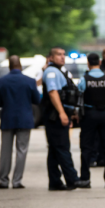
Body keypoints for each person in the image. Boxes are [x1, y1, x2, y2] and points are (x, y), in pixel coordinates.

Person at [41, 47, 89, 191]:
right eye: (58, 55)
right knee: (62, 147)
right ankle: (72, 179)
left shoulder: (58, 71)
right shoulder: (51, 72)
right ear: (51, 58)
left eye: (63, 55)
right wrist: (62, 113)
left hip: (58, 114)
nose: (62, 57)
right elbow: (53, 93)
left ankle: (55, 181)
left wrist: (71, 112)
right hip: (54, 116)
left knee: (55, 149)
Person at [0, 56, 40, 189]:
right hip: (25, 119)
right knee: (22, 150)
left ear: (9, 66)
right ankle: (17, 181)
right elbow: (36, 99)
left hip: (7, 119)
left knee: (5, 150)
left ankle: (3, 180)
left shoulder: (1, 81)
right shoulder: (30, 81)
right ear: (20, 66)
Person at [78, 53, 105, 188]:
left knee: (86, 147)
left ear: (88, 63)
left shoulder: (84, 79)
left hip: (89, 115)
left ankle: (85, 179)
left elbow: (79, 99)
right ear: (100, 62)